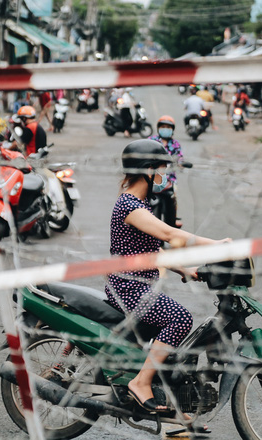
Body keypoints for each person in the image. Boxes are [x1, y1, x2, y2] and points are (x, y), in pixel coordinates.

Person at [107, 139, 229, 415]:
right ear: (147, 170)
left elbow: (150, 249)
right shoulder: (130, 206)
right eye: (162, 169)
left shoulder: (139, 204)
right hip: (129, 289)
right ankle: (141, 382)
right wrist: (217, 244)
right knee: (180, 318)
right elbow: (171, 235)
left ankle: (171, 398)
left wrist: (185, 269)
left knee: (173, 326)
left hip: (136, 286)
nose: (165, 177)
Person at [148, 115, 185, 227]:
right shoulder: (151, 141)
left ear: (172, 130)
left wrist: (181, 164)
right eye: (163, 126)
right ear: (159, 128)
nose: (165, 129)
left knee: (174, 197)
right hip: (152, 178)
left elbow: (180, 158)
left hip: (170, 180)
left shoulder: (175, 144)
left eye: (168, 127)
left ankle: (173, 217)